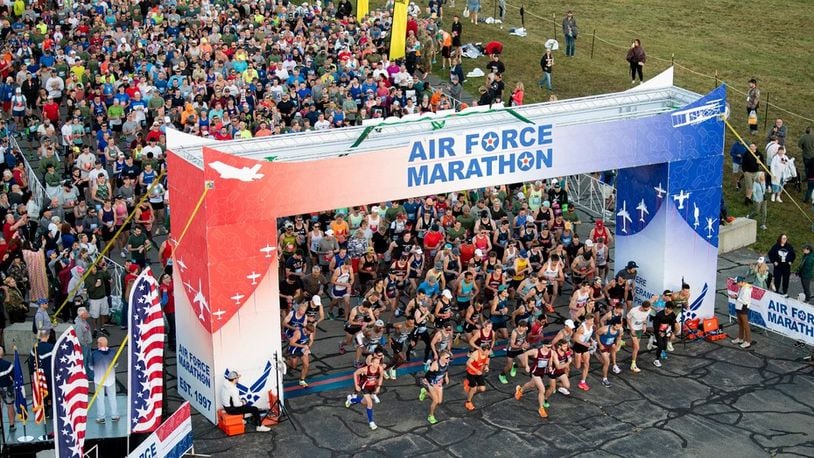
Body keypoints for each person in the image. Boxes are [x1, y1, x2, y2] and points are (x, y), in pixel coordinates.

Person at [345, 347, 385, 430]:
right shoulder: (366, 369)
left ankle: (351, 400)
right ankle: (371, 422)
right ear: (371, 363)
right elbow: (355, 373)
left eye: (378, 363)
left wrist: (378, 387)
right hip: (365, 387)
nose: (378, 365)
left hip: (372, 386)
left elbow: (381, 377)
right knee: (370, 404)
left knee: (364, 402)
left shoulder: (380, 368)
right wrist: (356, 385)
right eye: (376, 363)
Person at [514, 340, 553, 418]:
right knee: (542, 390)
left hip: (542, 372)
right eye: (548, 347)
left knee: (531, 385)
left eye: (550, 347)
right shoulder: (536, 351)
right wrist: (527, 365)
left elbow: (550, 360)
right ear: (543, 346)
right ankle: (541, 408)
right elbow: (526, 353)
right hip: (535, 372)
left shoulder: (551, 352)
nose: (549, 349)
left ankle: (520, 390)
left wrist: (550, 366)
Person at [91, 336, 119, 423]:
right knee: (112, 397)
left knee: (100, 398)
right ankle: (114, 415)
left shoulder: (94, 354)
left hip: (99, 379)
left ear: (99, 344)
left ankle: (101, 417)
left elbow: (91, 366)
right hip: (110, 379)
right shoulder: (113, 353)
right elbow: (116, 364)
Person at [418, 350, 451, 425]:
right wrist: (429, 382)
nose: (448, 359)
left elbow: (446, 370)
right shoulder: (435, 365)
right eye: (447, 358)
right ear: (441, 357)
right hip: (432, 383)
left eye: (449, 358)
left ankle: (425, 392)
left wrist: (446, 377)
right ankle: (431, 416)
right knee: (435, 401)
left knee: (439, 401)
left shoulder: (446, 362)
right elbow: (428, 375)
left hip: (439, 383)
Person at [596, 318, 623, 387]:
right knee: (606, 362)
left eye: (619, 326)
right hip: (603, 345)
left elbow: (619, 337)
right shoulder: (604, 329)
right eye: (616, 327)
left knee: (614, 347)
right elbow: (596, 334)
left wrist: (617, 345)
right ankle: (604, 379)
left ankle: (614, 365)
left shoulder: (620, 329)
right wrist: (600, 344)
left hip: (610, 344)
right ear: (612, 325)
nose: (618, 328)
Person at [626, 300, 652, 373]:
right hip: (633, 329)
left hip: (640, 329)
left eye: (647, 310)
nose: (645, 311)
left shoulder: (648, 309)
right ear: (642, 307)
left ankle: (622, 343)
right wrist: (631, 328)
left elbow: (645, 317)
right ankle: (633, 364)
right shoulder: (634, 311)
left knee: (633, 345)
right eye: (645, 310)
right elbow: (627, 318)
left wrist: (644, 325)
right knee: (637, 347)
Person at [463, 344, 490, 411]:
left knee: (482, 389)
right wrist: (476, 370)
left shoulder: (487, 353)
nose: (488, 353)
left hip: (479, 373)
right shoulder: (475, 354)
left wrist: (486, 366)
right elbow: (468, 363)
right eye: (487, 351)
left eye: (488, 351)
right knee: (473, 388)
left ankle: (470, 390)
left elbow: (487, 360)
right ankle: (468, 402)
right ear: (482, 350)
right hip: (471, 373)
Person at [572, 315, 595, 391]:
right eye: (591, 320)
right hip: (578, 346)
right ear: (587, 321)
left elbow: (588, 335)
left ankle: (582, 382)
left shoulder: (591, 326)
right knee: (578, 366)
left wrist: (591, 340)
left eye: (593, 320)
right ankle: (570, 359)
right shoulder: (582, 328)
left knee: (586, 364)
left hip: (585, 346)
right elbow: (575, 338)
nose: (592, 322)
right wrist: (585, 344)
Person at [652, 302, 678, 368]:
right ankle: (656, 360)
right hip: (658, 331)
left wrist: (673, 333)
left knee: (664, 347)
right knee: (660, 346)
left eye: (672, 309)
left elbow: (672, 324)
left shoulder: (672, 314)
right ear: (665, 308)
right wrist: (659, 332)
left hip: (665, 331)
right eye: (670, 309)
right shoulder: (659, 315)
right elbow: (655, 326)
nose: (671, 311)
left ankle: (654, 342)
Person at [731, 277, 753, 349]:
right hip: (739, 307)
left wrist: (736, 298)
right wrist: (736, 296)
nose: (736, 285)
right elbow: (741, 297)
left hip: (743, 308)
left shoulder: (746, 289)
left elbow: (745, 301)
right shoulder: (741, 287)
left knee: (745, 325)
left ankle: (748, 341)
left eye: (737, 283)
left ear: (740, 282)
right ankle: (740, 338)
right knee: (740, 323)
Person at [0, 347, 15, 431]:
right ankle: (11, 425)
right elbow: (14, 377)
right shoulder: (8, 364)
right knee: (10, 406)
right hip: (6, 387)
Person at [799, 127, 814, 201]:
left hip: (805, 155)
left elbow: (799, 145)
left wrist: (804, 148)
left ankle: (807, 177)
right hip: (812, 156)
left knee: (807, 167)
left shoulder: (803, 137)